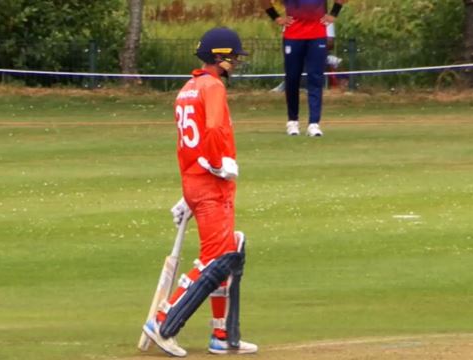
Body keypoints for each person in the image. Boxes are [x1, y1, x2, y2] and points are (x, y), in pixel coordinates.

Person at [142, 27, 258, 357]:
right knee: (217, 259)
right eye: (233, 57)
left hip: (197, 181)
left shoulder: (187, 89)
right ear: (219, 57)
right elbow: (213, 129)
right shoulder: (213, 87)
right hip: (212, 184)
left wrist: (189, 190)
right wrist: (221, 163)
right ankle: (164, 321)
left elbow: (185, 143)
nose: (235, 63)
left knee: (232, 249)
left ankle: (222, 335)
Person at [261, 0, 348, 136]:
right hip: (293, 36)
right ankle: (292, 121)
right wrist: (277, 18)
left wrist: (334, 14)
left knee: (315, 78)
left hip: (317, 35)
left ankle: (314, 123)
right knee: (292, 78)